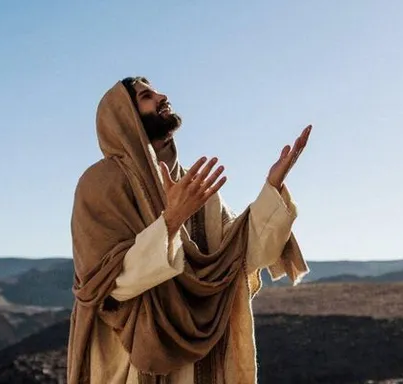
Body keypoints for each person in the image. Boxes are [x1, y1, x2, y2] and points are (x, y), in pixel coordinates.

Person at [67, 76, 312, 384]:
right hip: (130, 365)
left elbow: (236, 256)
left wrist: (272, 187)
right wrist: (171, 221)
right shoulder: (101, 184)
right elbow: (107, 284)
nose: (161, 96)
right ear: (124, 117)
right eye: (146, 96)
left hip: (204, 365)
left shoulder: (192, 187)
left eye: (156, 90)